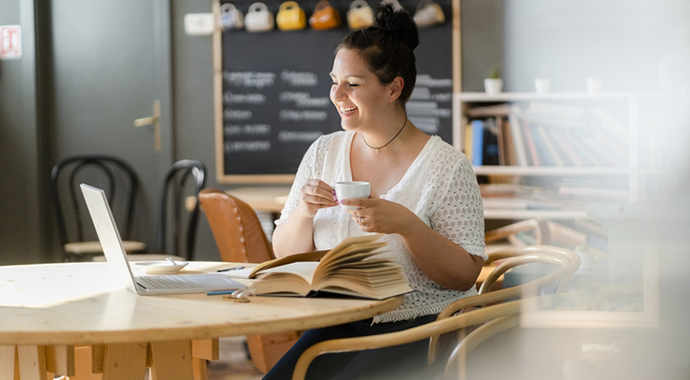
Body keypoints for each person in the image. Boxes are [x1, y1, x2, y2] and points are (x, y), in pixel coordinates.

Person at [265, 4, 485, 379]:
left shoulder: (447, 166)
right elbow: (284, 254)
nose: (336, 93)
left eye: (352, 83)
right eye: (334, 80)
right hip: (337, 318)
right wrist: (304, 212)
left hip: (421, 326)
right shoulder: (324, 151)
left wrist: (408, 226)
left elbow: (466, 274)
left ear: (393, 88)